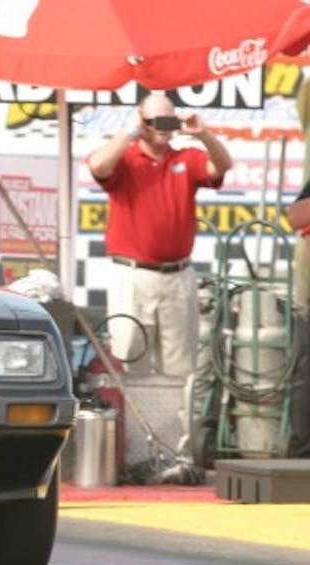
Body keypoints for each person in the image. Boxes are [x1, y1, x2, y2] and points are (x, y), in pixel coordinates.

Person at [86, 93, 233, 377]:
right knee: (130, 358)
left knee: (180, 366)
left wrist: (202, 134)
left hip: (177, 276)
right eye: (156, 121)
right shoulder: (125, 158)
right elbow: (98, 166)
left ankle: (175, 422)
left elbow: (222, 166)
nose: (164, 128)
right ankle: (135, 422)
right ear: (142, 120)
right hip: (132, 275)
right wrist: (130, 131)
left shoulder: (186, 159)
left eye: (169, 120)